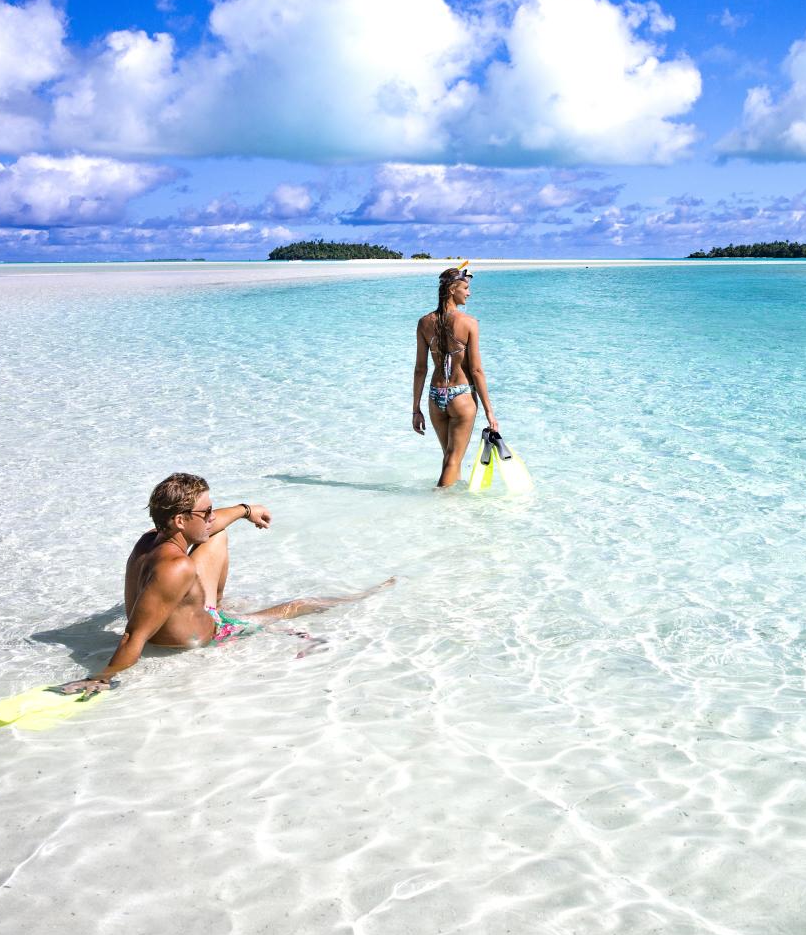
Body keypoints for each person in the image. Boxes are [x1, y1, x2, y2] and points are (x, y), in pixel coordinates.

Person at [58, 473, 393, 694]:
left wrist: (247, 510)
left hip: (176, 604)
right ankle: (363, 596)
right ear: (179, 520)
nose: (211, 516)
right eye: (205, 512)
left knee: (216, 538)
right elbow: (133, 636)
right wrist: (100, 677)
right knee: (298, 605)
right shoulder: (176, 569)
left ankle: (212, 605)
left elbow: (213, 526)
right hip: (197, 638)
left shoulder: (150, 540)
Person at [413, 264, 499, 487]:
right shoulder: (469, 323)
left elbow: (420, 369)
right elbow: (477, 370)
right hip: (461, 396)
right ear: (452, 289)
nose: (469, 293)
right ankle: (438, 505)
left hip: (435, 397)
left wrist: (416, 409)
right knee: (453, 458)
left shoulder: (424, 323)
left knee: (450, 457)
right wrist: (490, 411)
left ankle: (451, 512)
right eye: (466, 288)